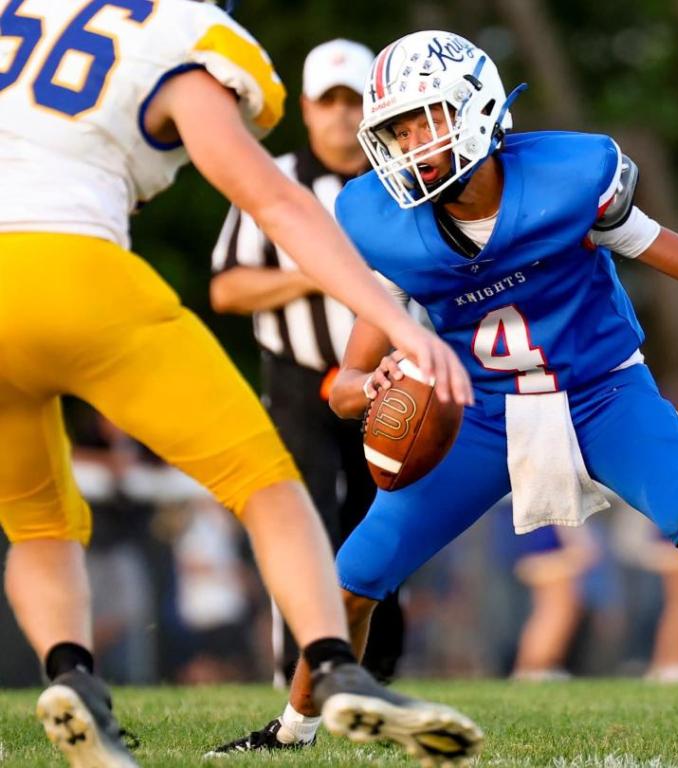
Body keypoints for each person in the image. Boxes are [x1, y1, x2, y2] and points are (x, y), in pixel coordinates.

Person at [222, 29, 678, 757]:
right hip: (480, 412)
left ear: (477, 108)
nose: (411, 143)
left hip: (601, 393)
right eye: (396, 128)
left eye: (425, 118)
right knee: (354, 579)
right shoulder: (384, 225)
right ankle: (289, 733)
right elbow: (344, 381)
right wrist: (372, 387)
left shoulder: (571, 178)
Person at [0, 3, 480, 767]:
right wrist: (400, 324)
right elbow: (274, 201)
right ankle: (331, 664)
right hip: (75, 268)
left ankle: (71, 675)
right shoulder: (177, 32)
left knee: (35, 520)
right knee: (267, 483)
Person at [210, 38, 405, 691]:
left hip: (384, 376)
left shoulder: (403, 176)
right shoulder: (272, 178)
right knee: (305, 514)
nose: (344, 116)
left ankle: (376, 665)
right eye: (331, 101)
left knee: (383, 517)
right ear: (308, 107)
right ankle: (296, 665)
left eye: (355, 101)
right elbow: (226, 288)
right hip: (298, 376)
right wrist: (312, 274)